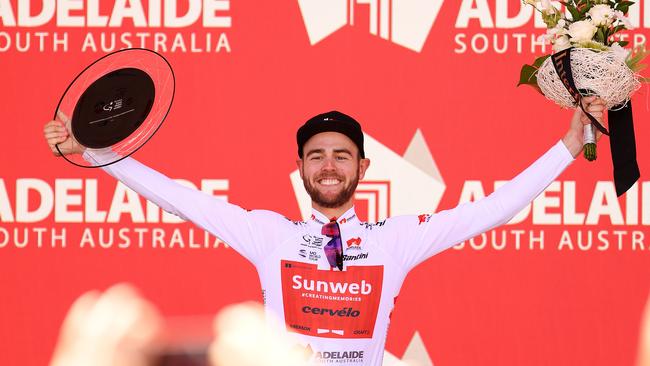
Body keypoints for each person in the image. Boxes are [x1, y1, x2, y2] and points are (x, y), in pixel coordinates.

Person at [43, 100, 606, 366]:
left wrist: (565, 145)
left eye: (342, 156)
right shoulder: (267, 234)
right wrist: (93, 150)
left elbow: (493, 208)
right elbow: (177, 196)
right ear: (301, 169)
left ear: (363, 169)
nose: (329, 165)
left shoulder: (396, 238)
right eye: (317, 157)